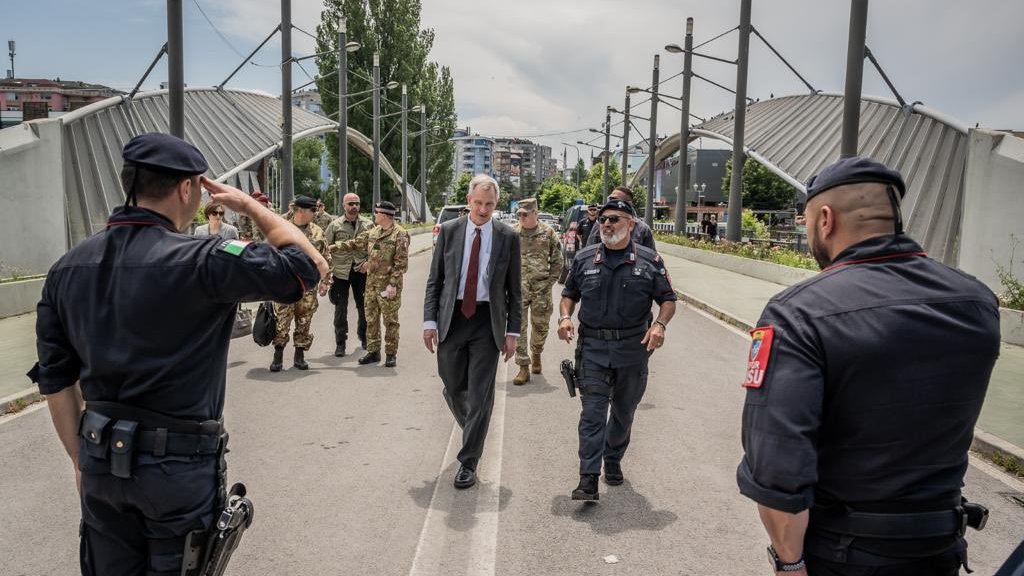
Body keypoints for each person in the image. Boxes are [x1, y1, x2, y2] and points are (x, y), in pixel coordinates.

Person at [28, 132, 327, 576]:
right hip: (177, 470)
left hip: (100, 461)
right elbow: (308, 268)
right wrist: (251, 207)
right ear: (188, 189)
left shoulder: (67, 268)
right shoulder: (207, 257)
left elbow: (56, 381)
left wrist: (81, 461)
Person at [735, 156, 1001, 576]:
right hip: (941, 547)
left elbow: (777, 465)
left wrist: (791, 564)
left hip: (847, 553)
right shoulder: (975, 302)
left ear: (825, 220)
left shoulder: (798, 312)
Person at [558, 198, 677, 501]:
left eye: (615, 219)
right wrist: (565, 317)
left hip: (632, 349)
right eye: (604, 220)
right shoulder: (585, 259)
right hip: (594, 348)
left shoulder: (650, 261)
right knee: (593, 413)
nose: (607, 224)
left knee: (623, 412)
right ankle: (587, 478)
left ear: (631, 225)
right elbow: (569, 294)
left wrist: (660, 325)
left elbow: (668, 299)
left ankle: (612, 458)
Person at [423, 174, 521, 489]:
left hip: (485, 321)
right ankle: (475, 432)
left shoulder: (507, 236)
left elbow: (514, 290)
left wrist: (513, 331)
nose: (483, 209)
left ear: (496, 205)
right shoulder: (450, 232)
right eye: (478, 203)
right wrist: (429, 321)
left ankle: (468, 462)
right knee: (452, 386)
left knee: (481, 395)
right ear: (468, 201)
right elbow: (435, 281)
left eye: (489, 204)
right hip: (452, 317)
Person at [331, 201, 410, 367]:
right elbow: (354, 243)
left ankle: (390, 354)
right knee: (371, 319)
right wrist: (330, 247)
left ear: (385, 215)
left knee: (390, 321)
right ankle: (373, 352)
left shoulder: (400, 234)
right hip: (371, 284)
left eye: (377, 213)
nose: (375, 216)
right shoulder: (373, 231)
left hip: (388, 286)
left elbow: (401, 264)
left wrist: (393, 284)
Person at [270, 195, 331, 372]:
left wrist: (325, 281)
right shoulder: (280, 227)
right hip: (284, 285)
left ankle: (299, 355)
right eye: (313, 210)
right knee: (282, 321)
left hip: (308, 286)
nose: (315, 213)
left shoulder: (317, 232)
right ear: (301, 210)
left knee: (304, 321)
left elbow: (325, 257)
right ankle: (278, 355)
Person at [511, 197, 563, 385]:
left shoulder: (548, 233)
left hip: (541, 290)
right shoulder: (513, 233)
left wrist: (549, 283)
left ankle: (537, 352)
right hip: (518, 289)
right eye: (520, 214)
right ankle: (523, 366)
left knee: (540, 327)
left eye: (526, 214)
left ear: (535, 213)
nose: (522, 217)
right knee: (518, 328)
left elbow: (558, 261)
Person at [323, 192, 372, 357]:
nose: (354, 207)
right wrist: (327, 273)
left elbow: (377, 245)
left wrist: (369, 262)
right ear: (344, 206)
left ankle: (364, 337)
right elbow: (325, 247)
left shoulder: (368, 224)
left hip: (361, 270)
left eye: (357, 203)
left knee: (364, 306)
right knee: (340, 308)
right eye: (350, 203)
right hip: (340, 272)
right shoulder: (335, 225)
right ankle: (340, 343)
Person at [585, 186, 656, 249]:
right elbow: (589, 249)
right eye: (609, 199)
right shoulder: (601, 224)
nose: (610, 203)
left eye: (613, 199)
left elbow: (651, 257)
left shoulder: (642, 229)